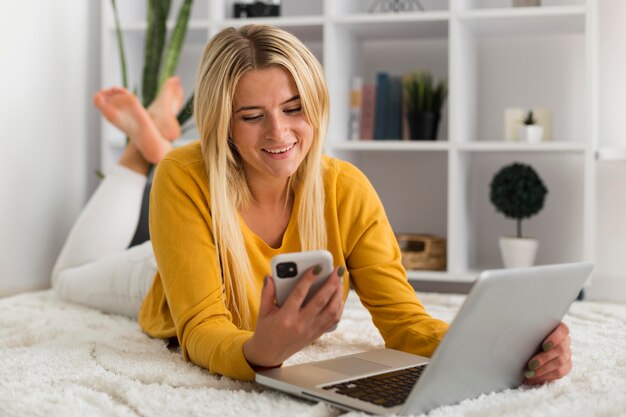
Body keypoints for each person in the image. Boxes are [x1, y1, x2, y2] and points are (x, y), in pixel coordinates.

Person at [53, 24, 572, 385]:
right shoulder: (185, 177)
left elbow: (405, 323)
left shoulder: (345, 187)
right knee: (66, 280)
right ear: (222, 126)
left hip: (204, 210)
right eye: (251, 115)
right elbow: (200, 329)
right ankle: (140, 151)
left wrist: (513, 347)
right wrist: (259, 353)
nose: (280, 133)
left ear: (316, 106)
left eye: (294, 108)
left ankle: (154, 133)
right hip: (159, 271)